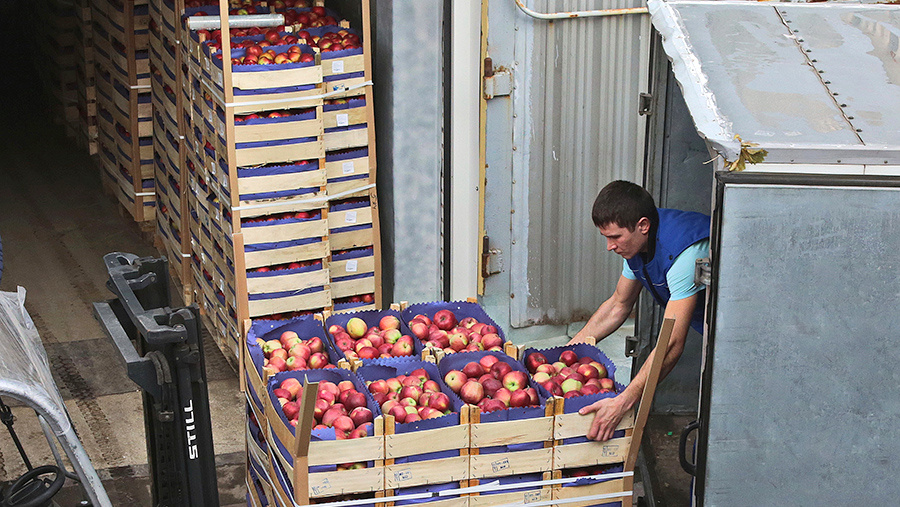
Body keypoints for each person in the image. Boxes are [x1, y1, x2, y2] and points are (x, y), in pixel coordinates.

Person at [568, 180, 709, 441]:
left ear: (643, 225)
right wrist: (568, 355)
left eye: (615, 237)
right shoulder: (637, 242)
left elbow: (672, 343)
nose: (609, 246)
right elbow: (618, 305)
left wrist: (624, 401)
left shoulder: (684, 256)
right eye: (606, 237)